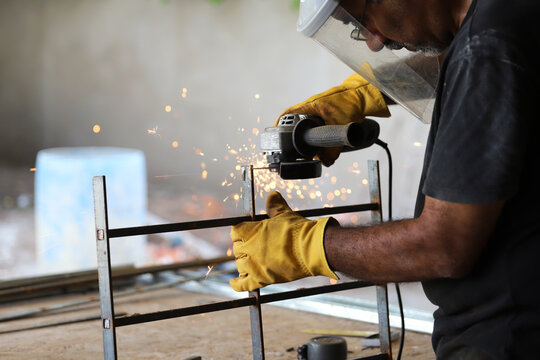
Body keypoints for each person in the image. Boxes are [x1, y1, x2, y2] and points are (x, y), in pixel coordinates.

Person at [230, 0, 540, 358]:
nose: (375, 41)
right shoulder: (507, 16)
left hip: (508, 337)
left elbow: (444, 247)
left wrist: (308, 247)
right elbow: (463, 63)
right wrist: (368, 92)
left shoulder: (487, 49)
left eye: (363, 20)